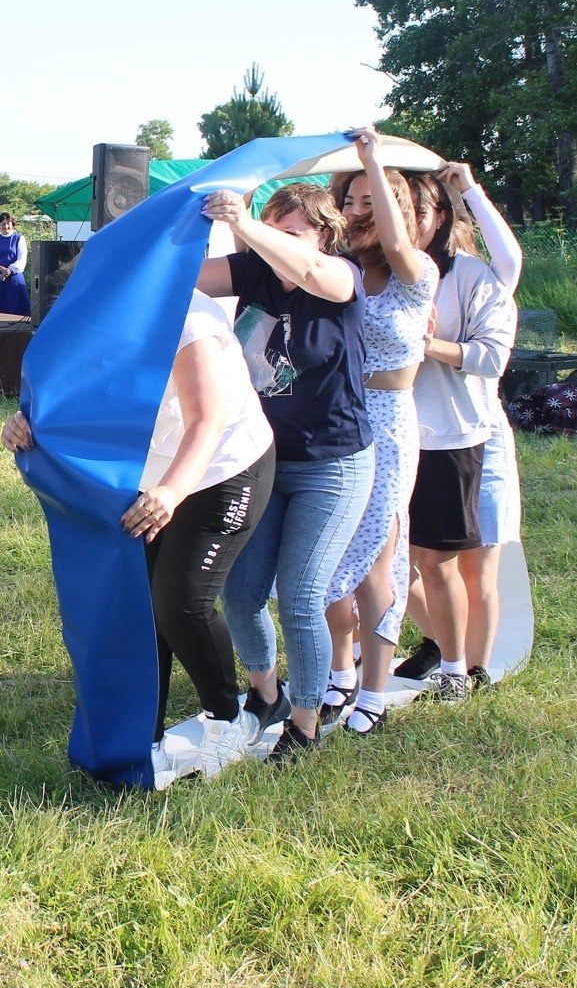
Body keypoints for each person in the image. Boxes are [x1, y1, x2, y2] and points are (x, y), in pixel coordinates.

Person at [2, 291, 275, 787]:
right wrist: (27, 423)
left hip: (223, 470)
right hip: (153, 478)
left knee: (181, 603)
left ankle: (230, 719)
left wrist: (172, 492)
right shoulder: (97, 317)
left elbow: (207, 422)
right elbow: (71, 400)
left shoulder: (189, 321)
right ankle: (142, 735)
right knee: (141, 608)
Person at [199, 182, 374, 764]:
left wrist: (249, 226)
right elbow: (180, 276)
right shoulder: (251, 271)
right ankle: (265, 693)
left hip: (335, 462)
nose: (275, 244)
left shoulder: (342, 276)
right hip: (266, 459)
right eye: (270, 229)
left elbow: (311, 271)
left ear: (324, 236)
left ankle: (304, 722)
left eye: (291, 232)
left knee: (301, 596)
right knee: (241, 593)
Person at [317, 131, 438, 735]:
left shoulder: (418, 275)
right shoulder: (337, 273)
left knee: (375, 562)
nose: (359, 213)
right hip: (335, 422)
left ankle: (374, 692)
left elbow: (395, 239)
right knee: (327, 553)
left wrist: (372, 161)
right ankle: (339, 674)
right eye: (352, 202)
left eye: (373, 202)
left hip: (388, 426)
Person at [398, 162, 525, 687]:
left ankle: (471, 672)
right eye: (401, 211)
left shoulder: (472, 276)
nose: (407, 223)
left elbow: (491, 358)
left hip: (472, 438)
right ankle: (442, 642)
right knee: (396, 569)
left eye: (418, 212)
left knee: (475, 568)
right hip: (402, 440)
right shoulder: (380, 272)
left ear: (442, 217)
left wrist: (426, 345)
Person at [0, 212, 31, 316]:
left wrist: (8, 271)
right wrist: (1, 269)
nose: (5, 226)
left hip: (14, 279)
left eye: (8, 223)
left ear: (12, 224)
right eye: (3, 224)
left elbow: (22, 259)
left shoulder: (19, 239)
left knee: (16, 309)